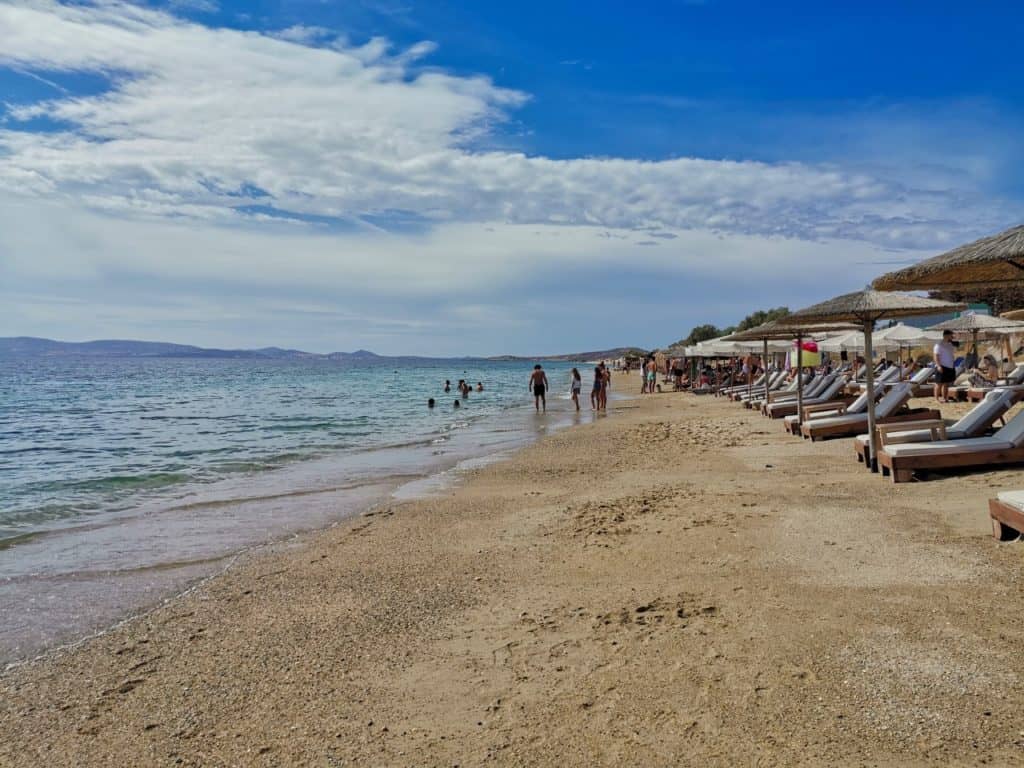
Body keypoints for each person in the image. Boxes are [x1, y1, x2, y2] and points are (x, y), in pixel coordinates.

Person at [934, 329, 957, 403]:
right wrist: (938, 366)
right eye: (951, 335)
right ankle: (937, 399)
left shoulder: (950, 344)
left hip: (950, 366)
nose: (952, 336)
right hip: (942, 366)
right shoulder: (939, 344)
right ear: (946, 335)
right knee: (939, 384)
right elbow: (936, 356)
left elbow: (951, 355)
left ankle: (945, 398)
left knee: (946, 384)